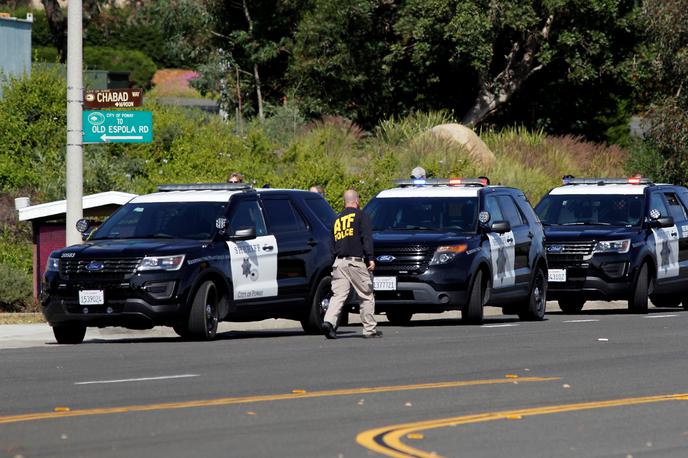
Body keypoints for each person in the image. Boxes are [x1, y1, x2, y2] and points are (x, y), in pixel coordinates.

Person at [322, 189, 382, 339]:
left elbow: (331, 244)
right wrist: (371, 258)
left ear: (345, 202)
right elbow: (366, 238)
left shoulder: (337, 219)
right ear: (357, 200)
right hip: (355, 262)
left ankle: (328, 322)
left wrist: (333, 262)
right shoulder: (362, 216)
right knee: (366, 295)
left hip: (339, 263)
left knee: (338, 295)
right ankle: (369, 329)